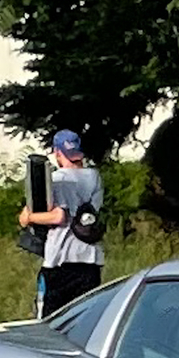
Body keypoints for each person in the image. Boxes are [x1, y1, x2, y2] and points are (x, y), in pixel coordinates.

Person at [19, 130, 105, 316]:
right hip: (90, 259)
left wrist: (29, 218)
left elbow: (59, 217)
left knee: (51, 323)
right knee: (85, 321)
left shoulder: (57, 180)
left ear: (58, 153)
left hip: (60, 260)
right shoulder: (94, 177)